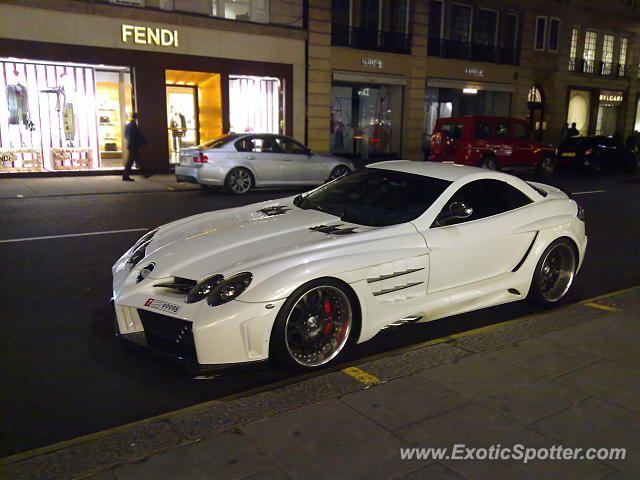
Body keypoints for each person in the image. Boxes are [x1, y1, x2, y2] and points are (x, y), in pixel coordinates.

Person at [123, 112, 148, 181]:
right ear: (137, 118)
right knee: (131, 161)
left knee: (138, 159)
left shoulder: (128, 125)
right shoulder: (133, 125)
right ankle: (125, 176)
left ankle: (144, 173)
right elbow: (138, 135)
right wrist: (145, 142)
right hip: (134, 145)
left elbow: (125, 135)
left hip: (131, 144)